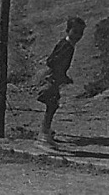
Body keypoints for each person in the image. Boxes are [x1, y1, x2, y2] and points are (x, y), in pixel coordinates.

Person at [37, 16, 86, 148]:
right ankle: (43, 134)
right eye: (75, 32)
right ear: (68, 30)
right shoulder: (66, 46)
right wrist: (59, 74)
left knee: (52, 105)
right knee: (52, 104)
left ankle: (46, 131)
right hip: (53, 78)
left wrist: (64, 75)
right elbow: (53, 61)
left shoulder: (69, 46)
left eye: (80, 33)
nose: (78, 36)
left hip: (57, 78)